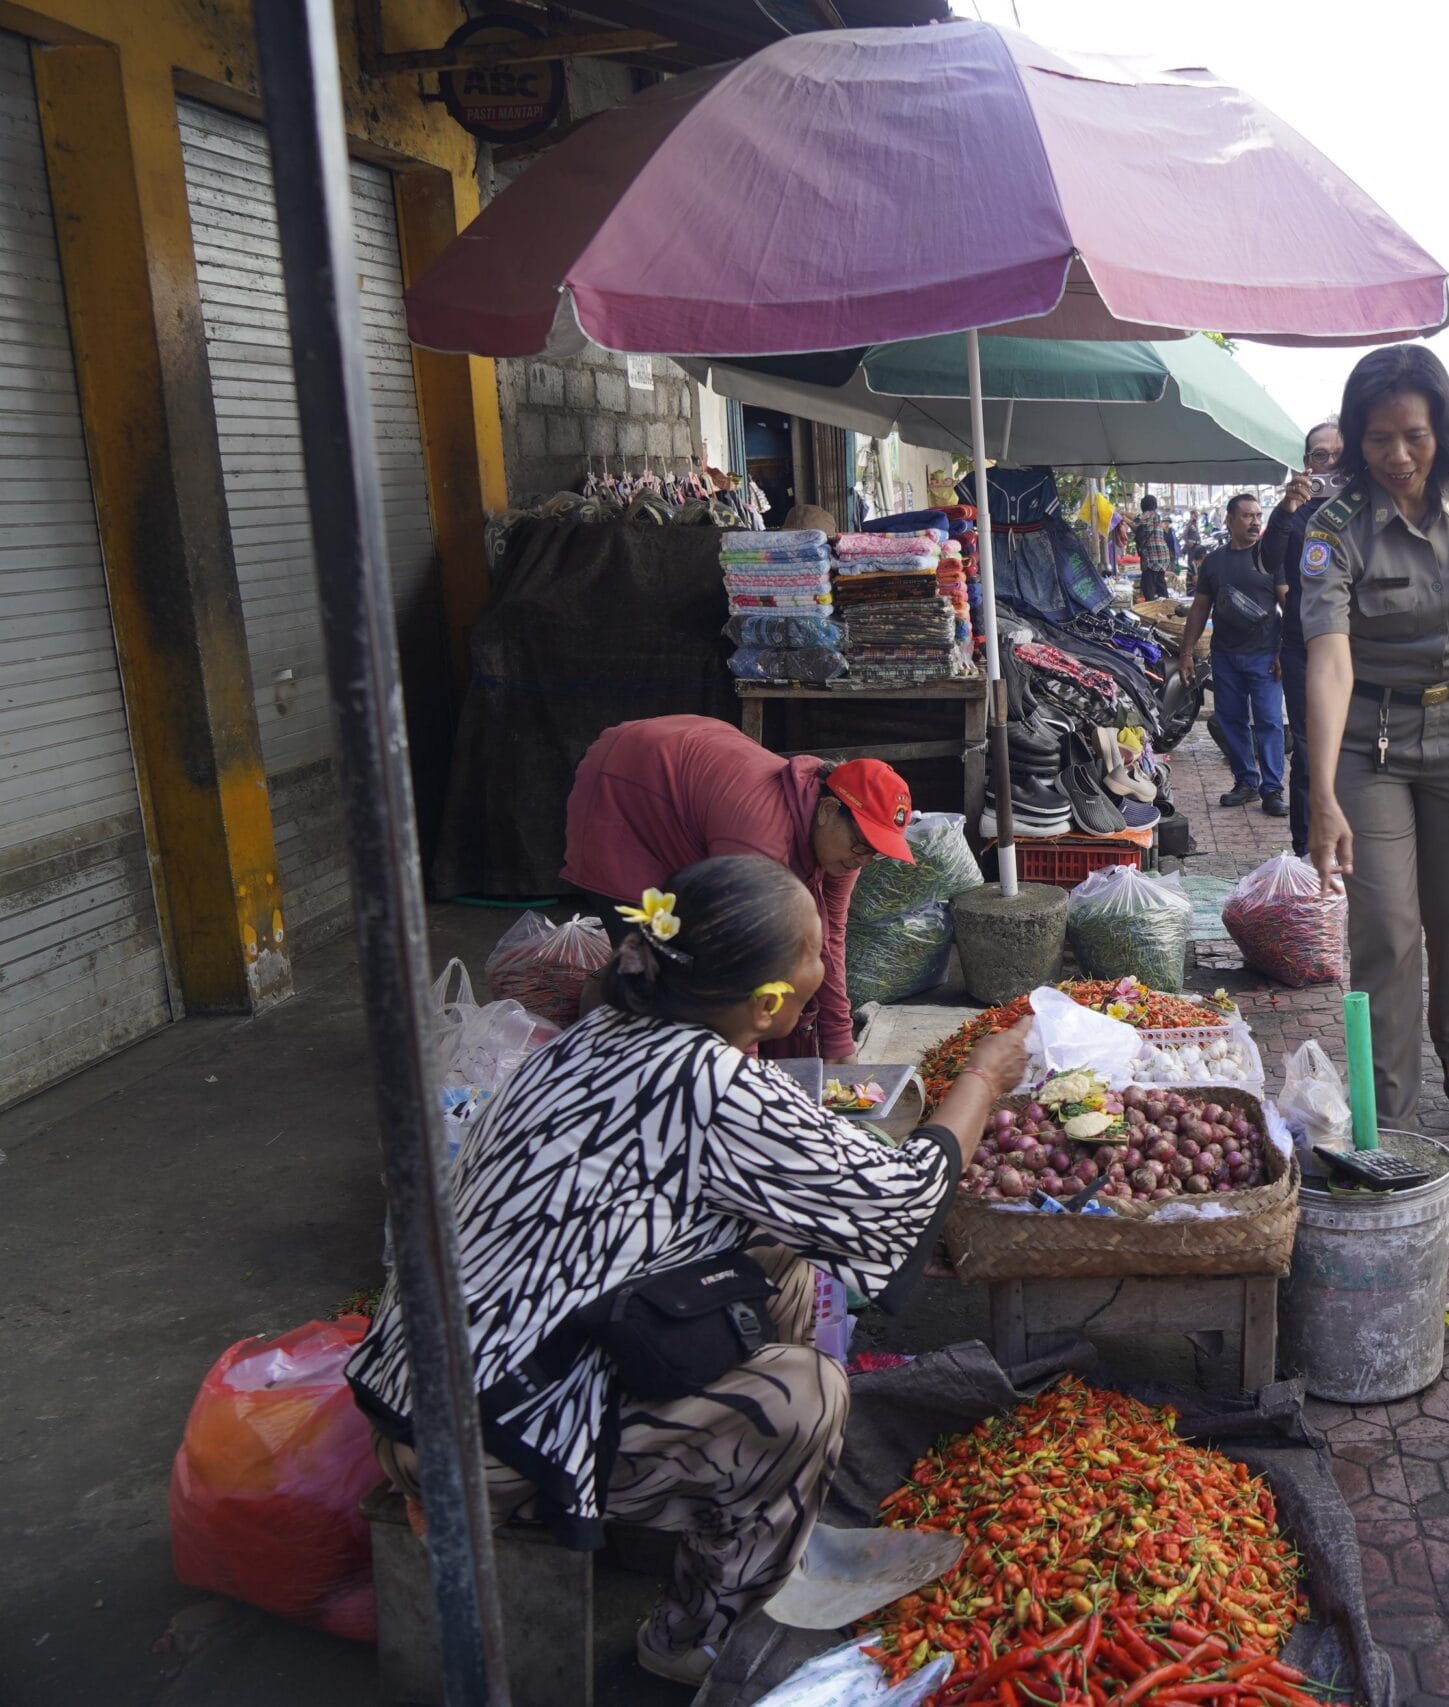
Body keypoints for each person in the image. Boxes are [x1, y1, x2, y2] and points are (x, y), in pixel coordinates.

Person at [350, 855, 1030, 1686]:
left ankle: (723, 1506)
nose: (827, 966)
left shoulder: (593, 1035)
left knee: (778, 1259)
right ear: (772, 1001)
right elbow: (897, 1200)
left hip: (417, 1388)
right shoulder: (711, 1081)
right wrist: (982, 1081)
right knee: (806, 1394)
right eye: (816, 952)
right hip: (480, 1436)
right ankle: (694, 1633)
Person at [1300, 348, 1449, 1125]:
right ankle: (1393, 1115)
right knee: (1385, 927)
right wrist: (1321, 795)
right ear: (1356, 439)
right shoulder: (1335, 527)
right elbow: (1329, 664)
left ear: (1439, 430)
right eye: (1379, 438)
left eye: (1413, 435)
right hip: (1368, 739)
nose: (1398, 455)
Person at [563, 717, 915, 1063]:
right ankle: (598, 1050)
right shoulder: (759, 830)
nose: (864, 859)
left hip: (694, 791)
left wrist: (839, 1043)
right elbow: (738, 949)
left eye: (877, 852)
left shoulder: (844, 848)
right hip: (627, 783)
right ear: (826, 809)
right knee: (650, 965)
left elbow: (829, 937)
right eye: (861, 844)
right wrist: (741, 1068)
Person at [1263, 419, 1346, 858]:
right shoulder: (1294, 512)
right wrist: (1285, 510)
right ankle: (1305, 850)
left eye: (1337, 455)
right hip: (1302, 643)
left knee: (1358, 746)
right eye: (1320, 455)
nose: (1329, 463)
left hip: (1355, 644)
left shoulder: (1365, 505)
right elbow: (1268, 560)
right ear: (1306, 463)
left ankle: (1354, 841)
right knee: (1311, 750)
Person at [1181, 493, 1287, 816]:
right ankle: (1246, 783)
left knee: (1269, 720)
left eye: (1258, 515)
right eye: (1247, 516)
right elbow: (1200, 609)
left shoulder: (1271, 559)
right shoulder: (1213, 562)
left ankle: (1272, 789)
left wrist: (1284, 650)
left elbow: (1288, 605)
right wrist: (1186, 652)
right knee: (1232, 720)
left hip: (1265, 655)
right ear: (1229, 520)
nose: (1255, 521)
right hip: (1225, 655)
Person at [1132, 494, 1175, 602]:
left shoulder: (1149, 514)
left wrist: (1122, 514)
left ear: (1144, 505)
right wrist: (1124, 519)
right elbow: (1136, 527)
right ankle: (1165, 607)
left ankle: (1152, 611)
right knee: (1160, 583)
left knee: (1148, 586)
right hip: (1162, 555)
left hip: (1153, 556)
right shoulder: (1156, 517)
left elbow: (1136, 521)